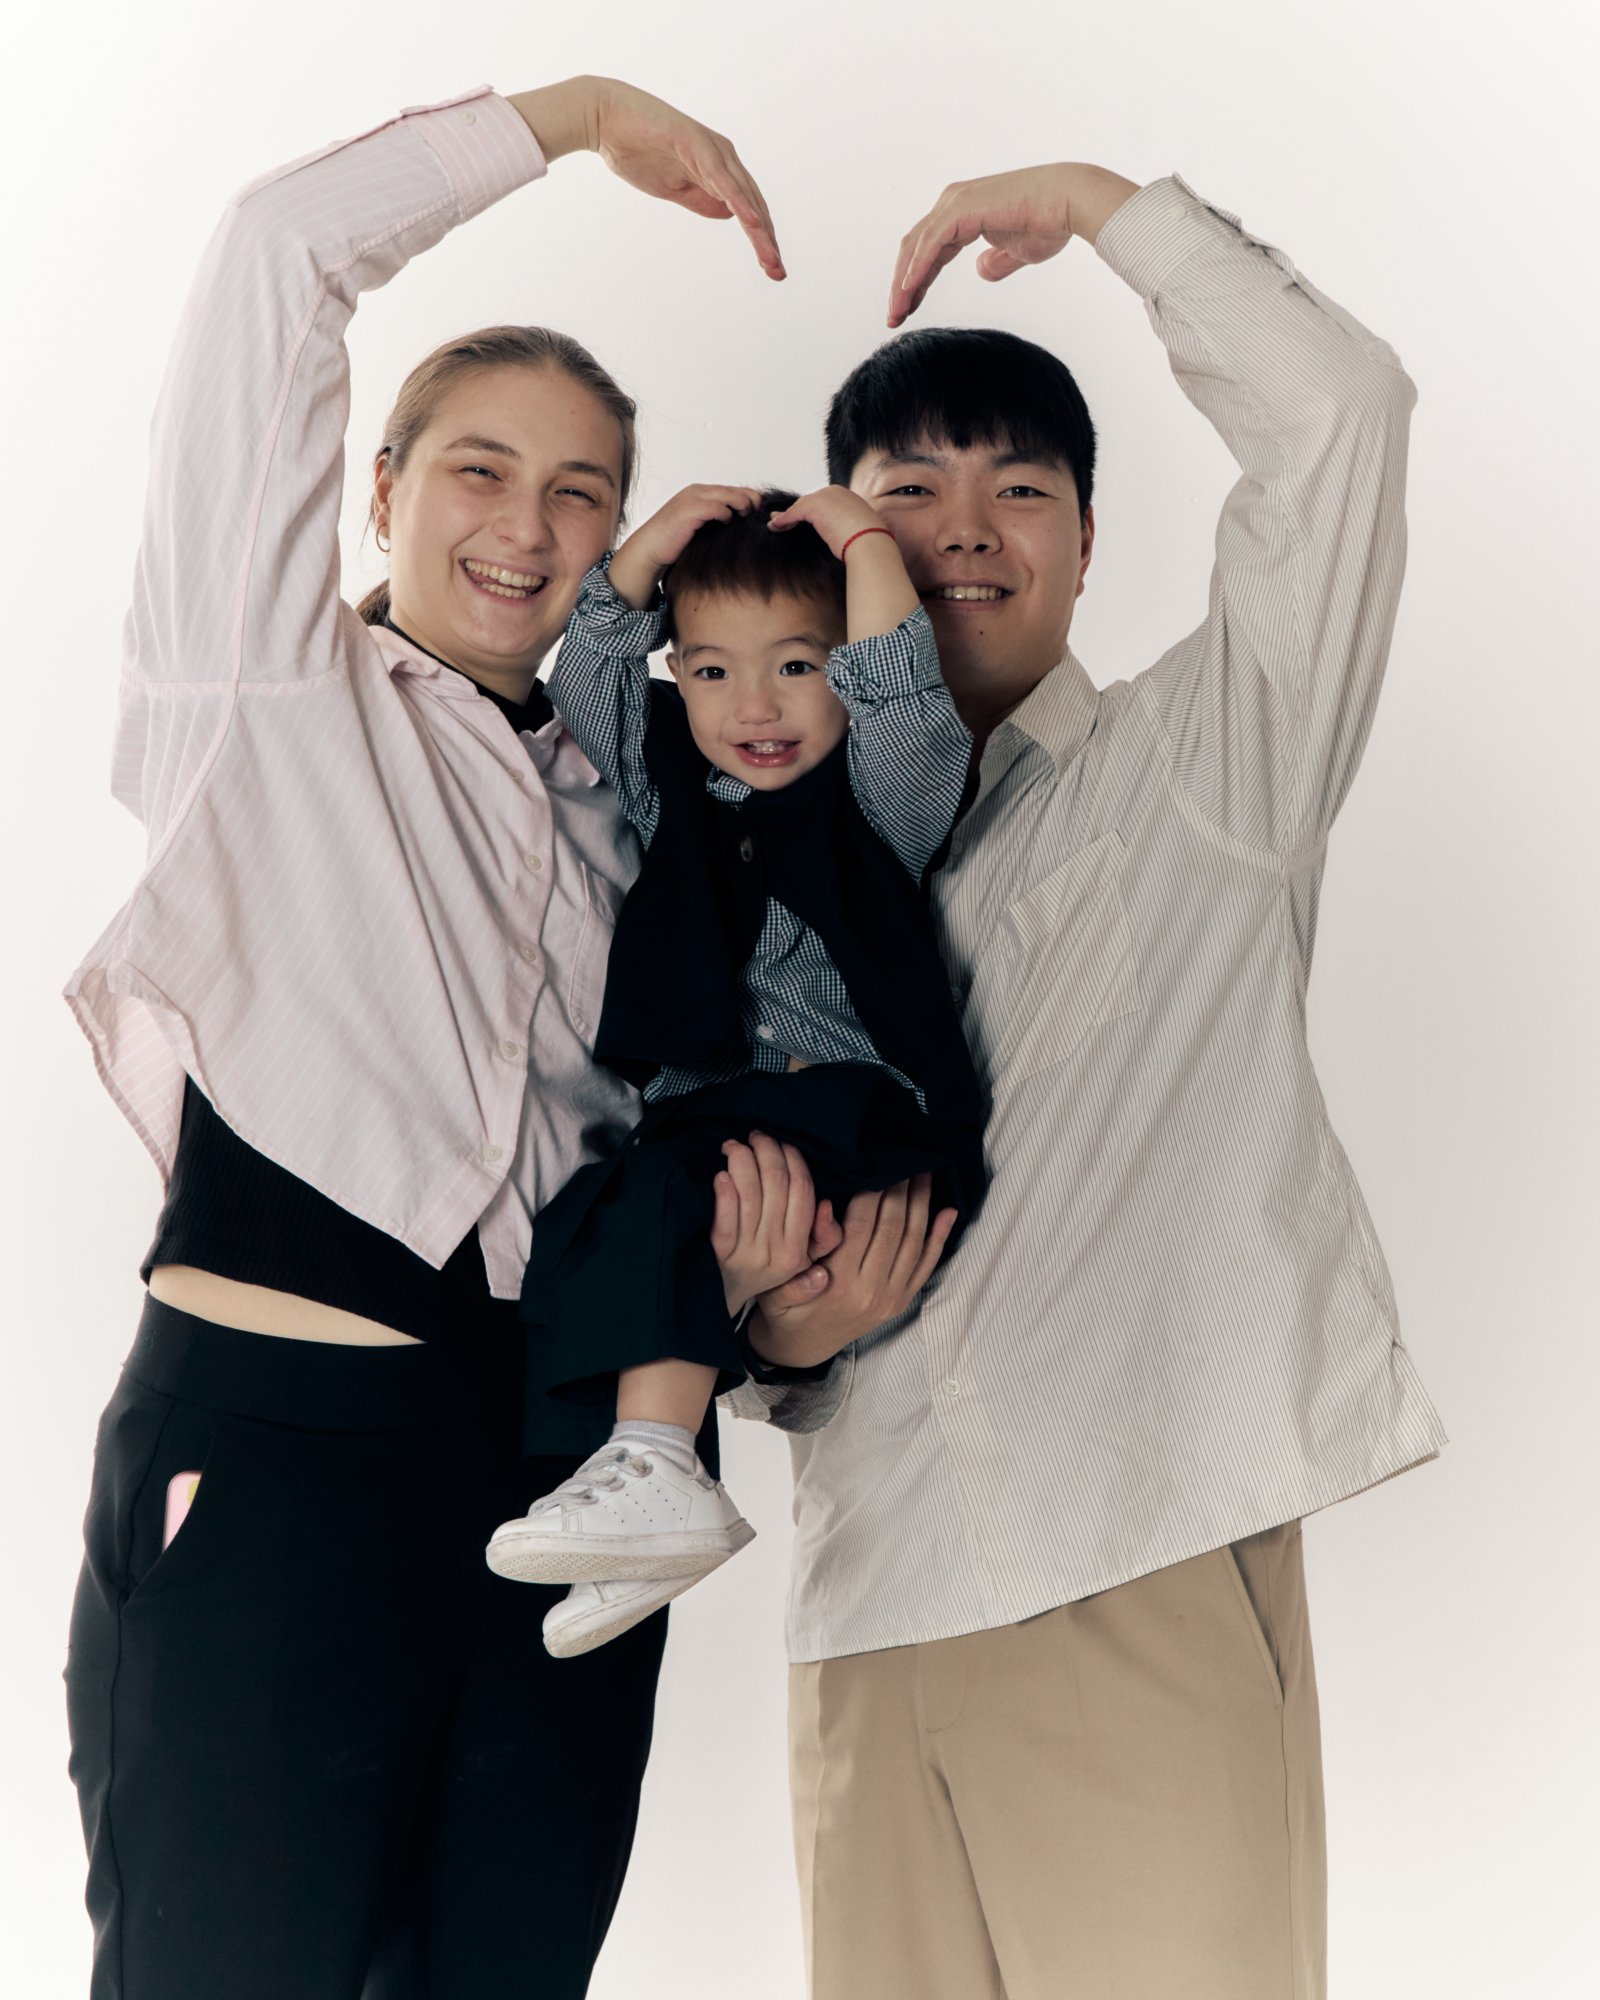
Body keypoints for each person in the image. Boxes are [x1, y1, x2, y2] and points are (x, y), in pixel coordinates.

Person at [61, 73, 844, 2000]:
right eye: (480, 468)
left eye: (580, 491)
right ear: (383, 488)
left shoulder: (637, 803)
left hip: (568, 1490)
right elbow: (276, 252)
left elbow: (679, 1131)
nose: (528, 522)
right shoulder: (262, 692)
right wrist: (568, 119)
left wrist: (770, 1309)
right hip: (281, 1459)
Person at [724, 164, 1449, 1998]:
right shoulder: (768, 891)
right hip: (865, 1620)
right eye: (909, 490)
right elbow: (721, 1231)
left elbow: (1347, 418)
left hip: (1130, 1568)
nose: (963, 532)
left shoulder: (1210, 769)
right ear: (835, 540)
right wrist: (781, 1336)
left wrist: (1109, 210)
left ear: (1088, 539)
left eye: (1019, 488)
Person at [482, 484, 985, 1655]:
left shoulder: (882, 795)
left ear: (844, 669)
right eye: (710, 671)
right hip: (715, 1121)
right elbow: (590, 680)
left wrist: (864, 539)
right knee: (583, 1221)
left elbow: (906, 699)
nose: (752, 705)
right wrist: (648, 548)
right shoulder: (669, 784)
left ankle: (660, 1463)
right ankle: (629, 1505)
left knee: (664, 1192)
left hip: (856, 1117)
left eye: (796, 666)